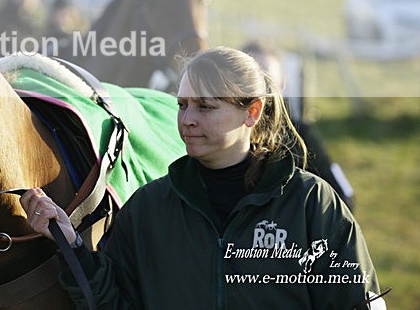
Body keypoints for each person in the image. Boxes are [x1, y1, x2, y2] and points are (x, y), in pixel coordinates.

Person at [21, 46, 384, 309]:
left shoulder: (311, 205)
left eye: (205, 107)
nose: (187, 120)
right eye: (182, 105)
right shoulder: (148, 208)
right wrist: (71, 243)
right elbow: (113, 303)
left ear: (252, 113)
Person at [241, 40, 356, 211]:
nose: (260, 89)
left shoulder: (301, 135)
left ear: (282, 83)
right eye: (250, 80)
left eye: (267, 79)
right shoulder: (218, 133)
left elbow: (343, 198)